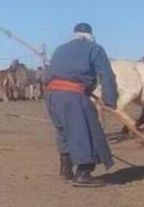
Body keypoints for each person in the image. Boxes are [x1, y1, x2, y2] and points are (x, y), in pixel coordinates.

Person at [44, 23, 118, 187]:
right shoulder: (95, 49)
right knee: (86, 130)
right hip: (71, 96)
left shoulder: (60, 49)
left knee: (64, 130)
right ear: (90, 35)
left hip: (51, 95)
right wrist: (110, 100)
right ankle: (83, 173)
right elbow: (106, 76)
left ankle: (66, 169)